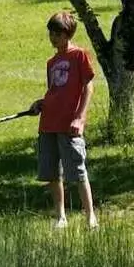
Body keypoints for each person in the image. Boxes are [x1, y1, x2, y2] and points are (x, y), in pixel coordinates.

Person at [29, 12, 99, 230]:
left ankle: (90, 217)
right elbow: (55, 91)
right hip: (48, 123)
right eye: (51, 33)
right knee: (51, 173)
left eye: (57, 33)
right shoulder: (51, 62)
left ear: (68, 34)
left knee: (77, 172)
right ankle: (60, 217)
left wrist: (80, 117)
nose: (53, 37)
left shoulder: (79, 56)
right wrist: (40, 103)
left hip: (70, 125)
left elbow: (88, 86)